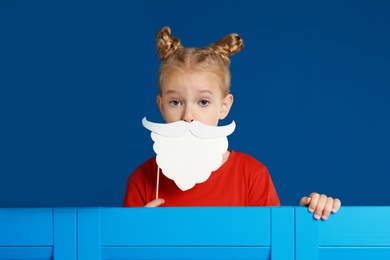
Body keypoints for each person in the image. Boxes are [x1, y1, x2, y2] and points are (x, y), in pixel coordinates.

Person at [123, 26, 341, 220]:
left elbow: (275, 242)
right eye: (176, 102)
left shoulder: (251, 175)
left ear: (224, 107)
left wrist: (312, 213)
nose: (188, 115)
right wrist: (136, 234)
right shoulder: (142, 180)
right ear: (161, 106)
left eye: (203, 102)